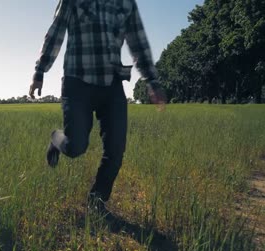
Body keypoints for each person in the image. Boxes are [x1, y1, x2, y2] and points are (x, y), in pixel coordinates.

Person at [29, 0, 166, 214]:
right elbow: (56, 31)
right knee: (75, 147)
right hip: (78, 81)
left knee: (116, 150)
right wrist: (40, 71)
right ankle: (57, 138)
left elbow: (137, 41)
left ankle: (96, 202)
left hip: (111, 84)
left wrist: (152, 81)